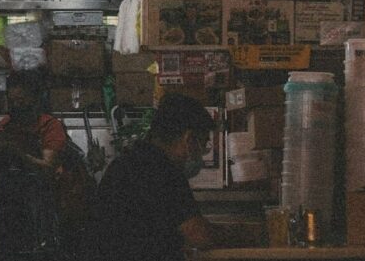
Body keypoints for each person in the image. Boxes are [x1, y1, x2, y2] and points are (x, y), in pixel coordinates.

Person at [83, 92, 255, 261]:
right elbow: (199, 235)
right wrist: (240, 236)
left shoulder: (123, 164)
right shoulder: (164, 172)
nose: (201, 153)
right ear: (188, 140)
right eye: (203, 144)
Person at [0, 69, 95, 260]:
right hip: (13, 212)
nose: (17, 106)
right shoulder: (8, 123)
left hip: (47, 213)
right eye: (13, 101)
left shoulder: (49, 126)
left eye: (22, 101)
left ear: (35, 99)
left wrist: (15, 152)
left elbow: (47, 168)